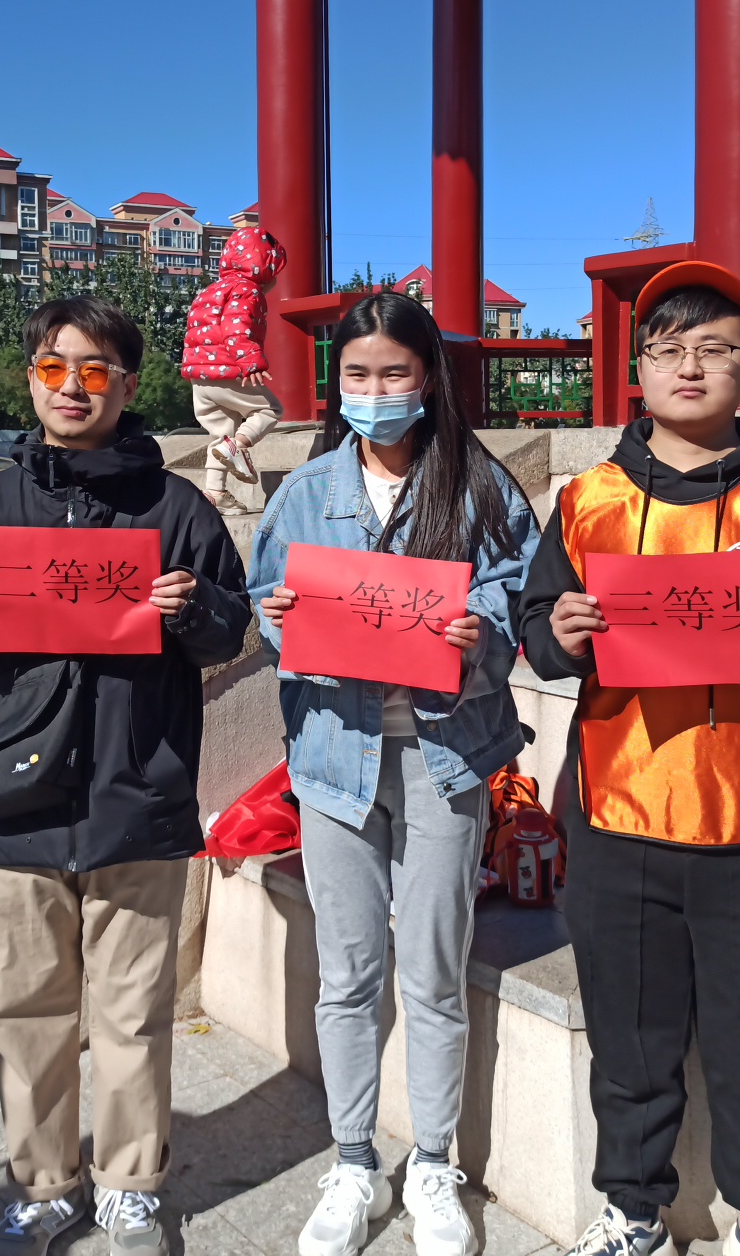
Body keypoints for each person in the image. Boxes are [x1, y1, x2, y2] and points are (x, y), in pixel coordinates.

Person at [519, 263, 740, 1256]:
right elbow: (538, 630)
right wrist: (559, 632)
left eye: (715, 348)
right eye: (668, 348)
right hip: (620, 817)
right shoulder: (587, 499)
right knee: (628, 1048)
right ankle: (631, 1210)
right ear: (636, 369)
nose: (690, 366)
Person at [0, 297, 252, 1256]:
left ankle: (131, 1185)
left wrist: (194, 608)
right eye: (54, 367)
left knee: (134, 1011)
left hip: (137, 792)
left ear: (129, 386)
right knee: (26, 1009)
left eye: (95, 370)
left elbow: (230, 634)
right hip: (17, 795)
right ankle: (43, 1183)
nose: (73, 386)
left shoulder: (178, 510)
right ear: (31, 378)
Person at [247, 292, 540, 1256]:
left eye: (394, 374)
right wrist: (277, 616)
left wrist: (481, 633)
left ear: (428, 378)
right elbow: (263, 593)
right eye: (357, 376)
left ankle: (434, 1163)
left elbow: (524, 595)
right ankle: (352, 1161)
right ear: (337, 384)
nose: (375, 393)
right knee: (347, 972)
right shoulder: (306, 490)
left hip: (444, 757)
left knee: (435, 969)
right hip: (335, 757)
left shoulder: (479, 486)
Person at [180, 227, 286, 511]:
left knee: (220, 434)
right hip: (226, 371)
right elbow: (236, 328)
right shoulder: (247, 289)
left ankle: (215, 492)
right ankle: (237, 446)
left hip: (199, 377)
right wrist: (251, 361)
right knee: (269, 410)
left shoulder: (210, 290)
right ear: (264, 271)